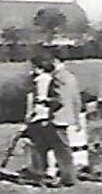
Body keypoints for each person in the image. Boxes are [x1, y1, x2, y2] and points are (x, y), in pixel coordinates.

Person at [26, 50, 79, 186]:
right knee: (50, 147)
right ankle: (45, 173)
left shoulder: (58, 77)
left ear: (55, 61)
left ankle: (67, 178)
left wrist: (45, 101)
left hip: (57, 118)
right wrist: (76, 118)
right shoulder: (70, 76)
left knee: (61, 151)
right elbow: (76, 100)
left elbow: (60, 100)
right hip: (67, 117)